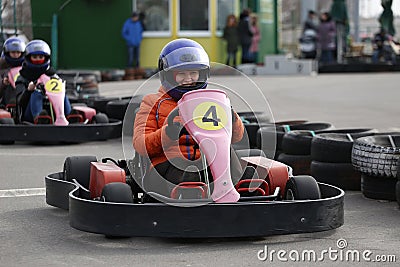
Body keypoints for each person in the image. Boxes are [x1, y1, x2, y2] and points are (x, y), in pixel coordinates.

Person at [133, 38, 244, 196]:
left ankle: (239, 188)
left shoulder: (211, 100)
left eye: (193, 73)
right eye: (182, 74)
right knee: (189, 172)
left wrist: (231, 119)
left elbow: (236, 137)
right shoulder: (152, 103)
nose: (188, 79)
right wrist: (169, 133)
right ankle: (190, 194)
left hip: (209, 161)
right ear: (169, 75)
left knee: (228, 152)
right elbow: (140, 145)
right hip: (167, 164)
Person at [15, 39, 72, 123]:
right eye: (35, 57)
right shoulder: (22, 77)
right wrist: (28, 91)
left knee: (61, 92)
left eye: (41, 57)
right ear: (28, 58)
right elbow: (19, 101)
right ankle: (39, 118)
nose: (38, 60)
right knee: (36, 93)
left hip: (52, 110)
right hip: (28, 115)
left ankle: (69, 116)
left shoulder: (52, 75)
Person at [0, 37, 26, 107]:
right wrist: (4, 83)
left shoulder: (26, 67)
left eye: (18, 52)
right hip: (6, 100)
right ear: (7, 53)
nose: (16, 55)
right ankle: (12, 104)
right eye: (13, 52)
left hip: (24, 96)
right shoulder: (2, 67)